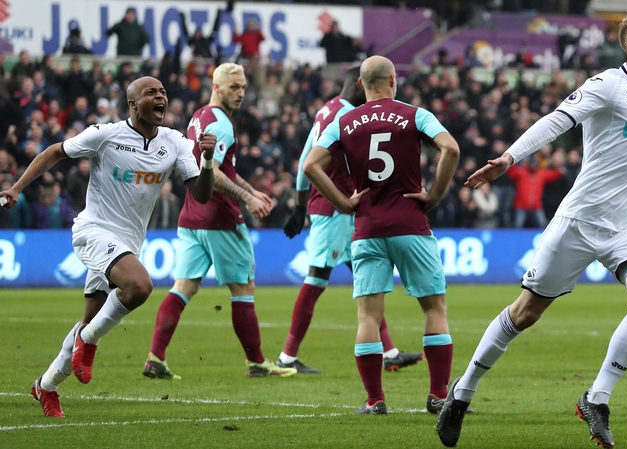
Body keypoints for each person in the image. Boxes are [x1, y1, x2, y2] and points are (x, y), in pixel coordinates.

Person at [436, 7, 627, 448]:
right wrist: (510, 158)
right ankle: (462, 391)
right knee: (525, 313)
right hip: (580, 220)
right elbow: (558, 120)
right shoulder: (607, 85)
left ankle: (596, 399)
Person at [0, 76, 216, 418]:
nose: (161, 96)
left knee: (90, 320)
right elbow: (54, 152)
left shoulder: (174, 142)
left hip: (128, 243)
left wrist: (207, 160)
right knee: (140, 286)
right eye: (151, 92)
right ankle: (88, 341)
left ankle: (46, 386)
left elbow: (201, 195)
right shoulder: (106, 135)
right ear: (133, 104)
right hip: (94, 231)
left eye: (162, 92)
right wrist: (16, 188)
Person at [303, 56, 460, 414]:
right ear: (393, 79)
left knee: (369, 318)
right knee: (434, 309)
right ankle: (438, 395)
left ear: (360, 84)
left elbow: (310, 165)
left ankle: (375, 400)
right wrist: (434, 195)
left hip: (367, 228)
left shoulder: (343, 121)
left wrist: (344, 203)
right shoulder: (415, 114)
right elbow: (450, 148)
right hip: (411, 225)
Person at [143, 63, 295, 379]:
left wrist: (252, 190)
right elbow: (210, 171)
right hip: (220, 218)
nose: (241, 93)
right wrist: (247, 199)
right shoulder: (222, 123)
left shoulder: (199, 116)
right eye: (234, 87)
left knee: (183, 287)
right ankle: (257, 363)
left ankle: (155, 357)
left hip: (191, 217)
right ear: (217, 87)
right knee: (243, 288)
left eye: (243, 87)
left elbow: (223, 168)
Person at [281, 67, 424, 374]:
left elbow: (306, 156)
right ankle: (287, 357)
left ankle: (389, 352)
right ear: (361, 86)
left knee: (367, 280)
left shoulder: (327, 109)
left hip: (341, 209)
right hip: (335, 209)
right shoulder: (349, 116)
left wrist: (299, 205)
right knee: (317, 278)